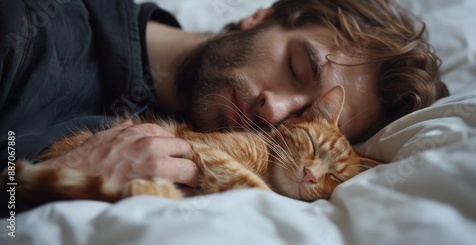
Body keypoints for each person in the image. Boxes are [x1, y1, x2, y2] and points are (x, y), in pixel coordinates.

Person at [0, 0, 448, 197]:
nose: (274, 111)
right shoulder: (33, 22)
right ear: (263, 16)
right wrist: (39, 183)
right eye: (297, 67)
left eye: (307, 120)